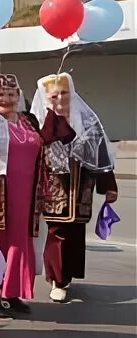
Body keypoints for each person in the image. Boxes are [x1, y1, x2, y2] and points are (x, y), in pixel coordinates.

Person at [31, 72, 118, 303]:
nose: (60, 98)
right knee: (57, 232)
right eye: (54, 95)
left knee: (77, 232)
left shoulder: (87, 121)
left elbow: (101, 154)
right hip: (54, 188)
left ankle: (67, 275)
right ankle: (57, 280)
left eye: (65, 93)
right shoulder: (40, 122)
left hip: (82, 187)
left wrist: (109, 185)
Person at [0, 74, 45, 314]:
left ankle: (13, 291)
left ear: (19, 96)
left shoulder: (29, 121)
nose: (6, 99)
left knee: (21, 240)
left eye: (11, 94)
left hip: (27, 190)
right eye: (0, 94)